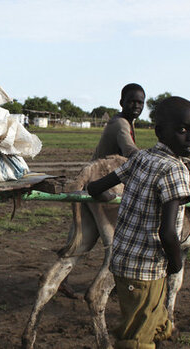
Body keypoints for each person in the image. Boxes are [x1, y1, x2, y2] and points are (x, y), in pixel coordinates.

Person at [86, 96, 190, 349]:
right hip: (147, 269)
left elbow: (95, 187)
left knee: (151, 318)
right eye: (183, 130)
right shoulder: (176, 170)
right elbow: (168, 232)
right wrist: (176, 262)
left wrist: (102, 193)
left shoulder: (141, 158)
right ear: (160, 131)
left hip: (123, 261)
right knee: (137, 336)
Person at [58, 83, 145, 299]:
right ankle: (116, 282)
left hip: (94, 180)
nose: (136, 105)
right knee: (120, 236)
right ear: (121, 102)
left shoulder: (123, 122)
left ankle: (60, 278)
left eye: (140, 102)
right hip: (103, 182)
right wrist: (152, 160)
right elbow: (129, 151)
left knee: (82, 234)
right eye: (132, 101)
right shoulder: (121, 124)